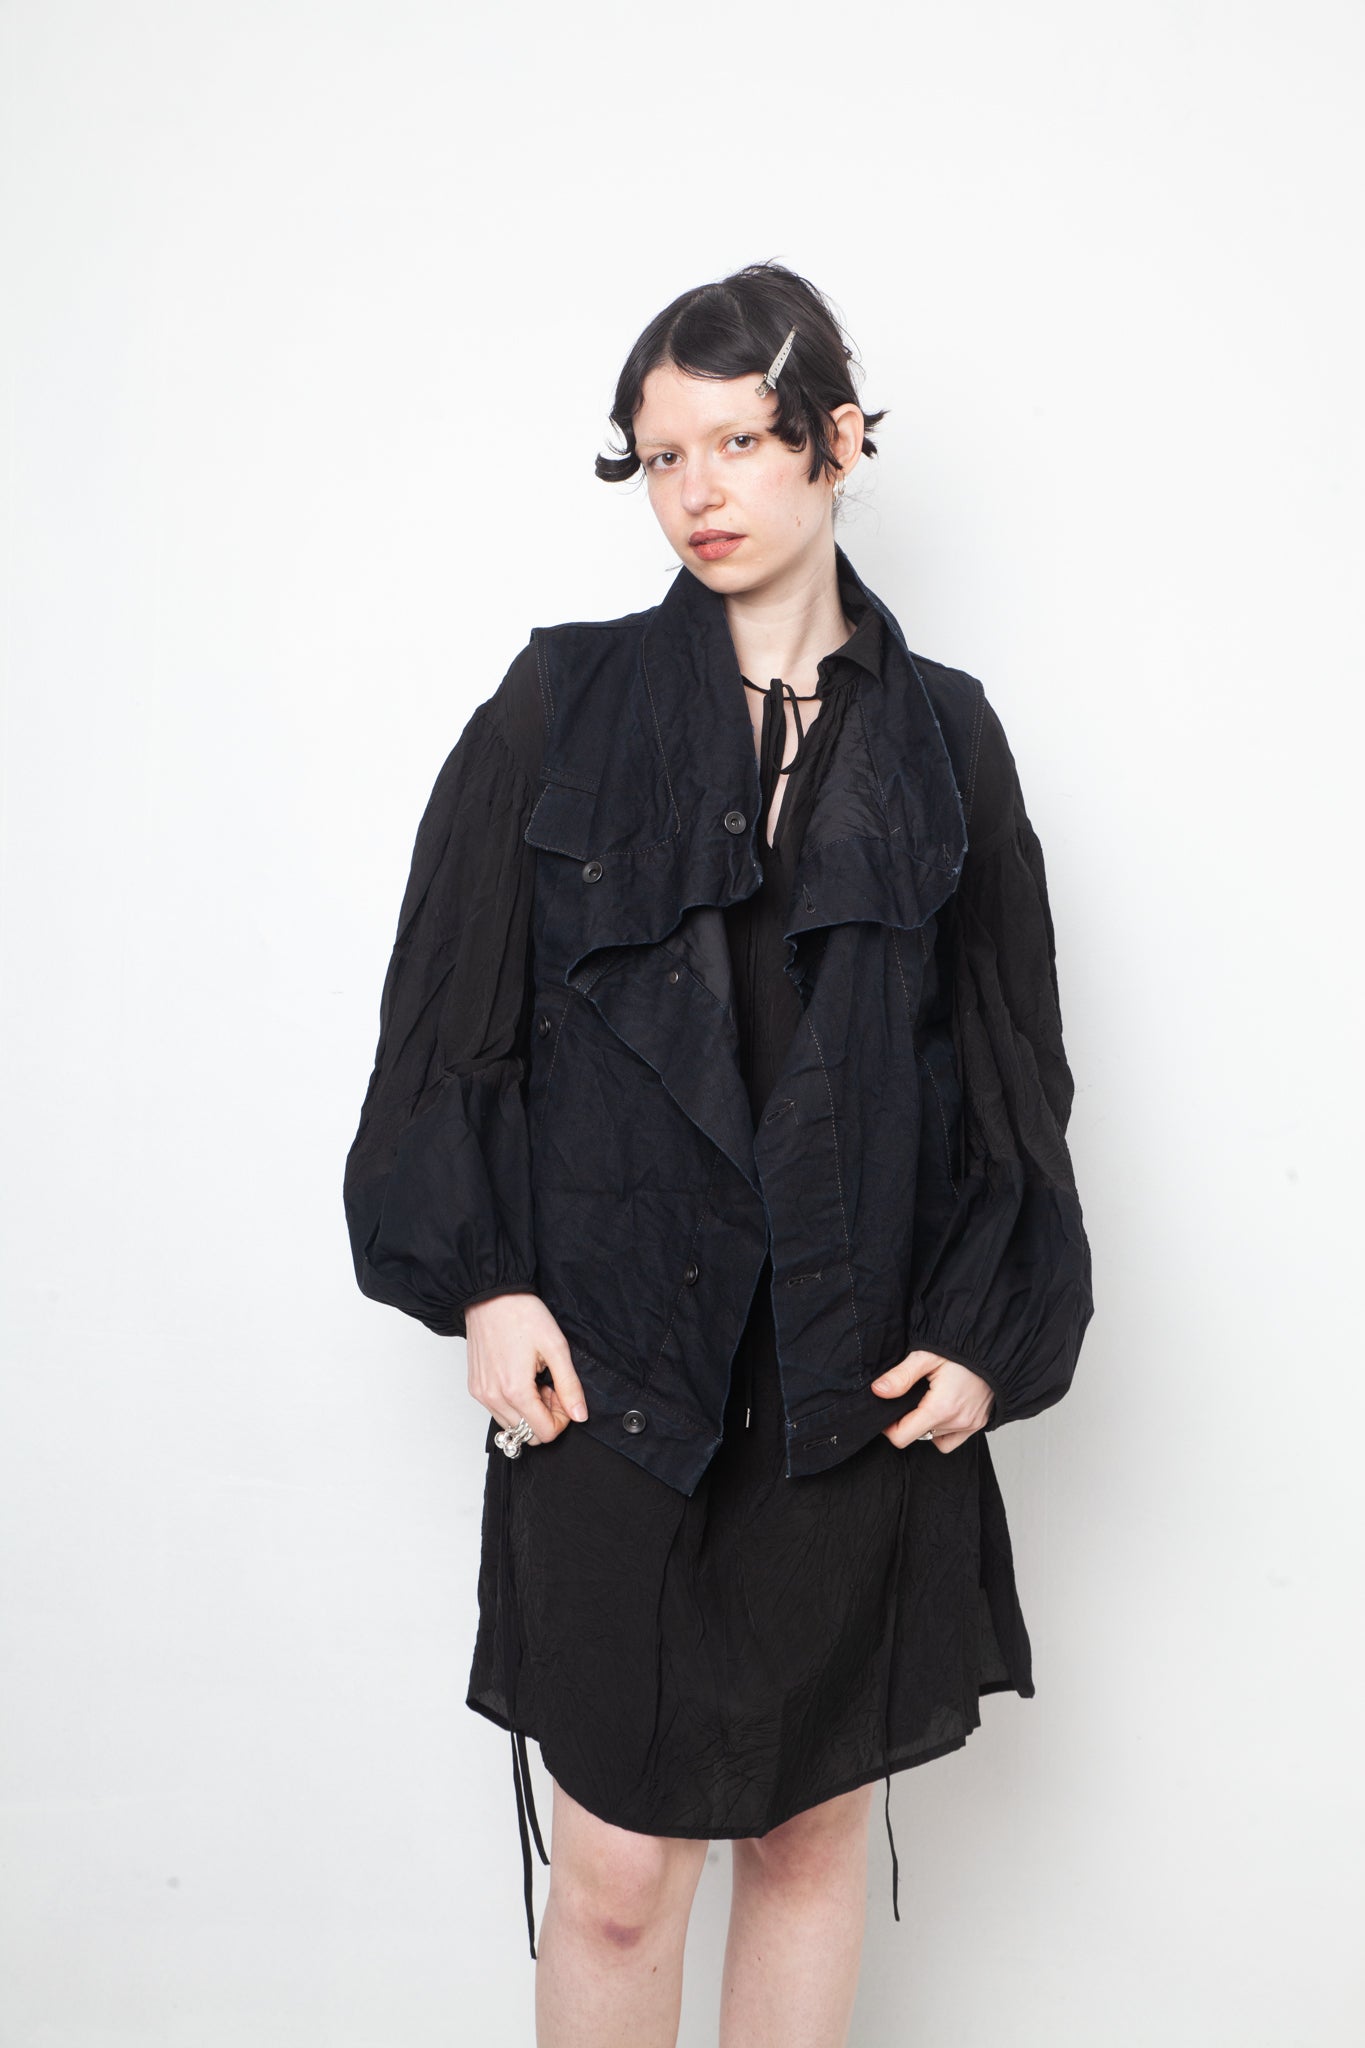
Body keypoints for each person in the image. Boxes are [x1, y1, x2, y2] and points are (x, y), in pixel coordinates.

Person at [343, 260, 1094, 2048]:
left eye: (736, 442)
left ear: (834, 443)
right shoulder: (559, 702)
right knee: (616, 1875)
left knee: (807, 1840)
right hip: (620, 1368)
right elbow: (444, 1025)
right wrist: (487, 1281)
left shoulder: (947, 735)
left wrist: (986, 1327)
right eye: (660, 454)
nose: (695, 490)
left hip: (853, 1374)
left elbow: (1008, 1063)